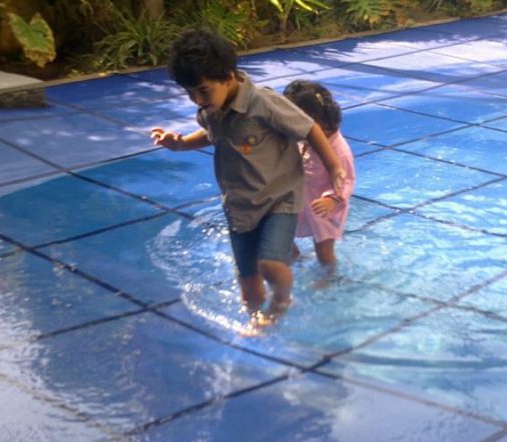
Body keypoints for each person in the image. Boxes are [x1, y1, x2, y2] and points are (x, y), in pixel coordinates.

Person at [150, 28, 346, 325]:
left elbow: (308, 128)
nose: (197, 99)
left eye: (203, 90)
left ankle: (281, 302)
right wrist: (180, 144)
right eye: (190, 93)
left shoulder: (262, 102)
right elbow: (212, 134)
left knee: (270, 263)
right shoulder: (211, 109)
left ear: (229, 76)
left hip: (279, 197)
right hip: (240, 204)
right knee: (247, 280)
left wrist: (333, 168)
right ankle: (256, 315)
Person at [283, 80, 355, 271]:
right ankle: (293, 256)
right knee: (282, 234)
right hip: (304, 200)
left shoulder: (339, 150)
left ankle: (329, 275)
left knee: (323, 248)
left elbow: (346, 180)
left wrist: (333, 199)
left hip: (325, 209)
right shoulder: (306, 139)